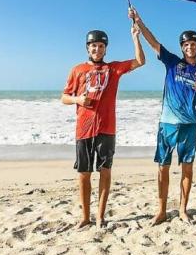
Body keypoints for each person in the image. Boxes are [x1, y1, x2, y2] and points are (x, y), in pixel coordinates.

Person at [128, 8, 196, 225]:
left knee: (187, 167)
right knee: (162, 167)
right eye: (186, 45)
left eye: (193, 44)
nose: (190, 47)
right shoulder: (173, 62)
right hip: (167, 123)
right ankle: (162, 210)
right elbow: (153, 42)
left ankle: (183, 210)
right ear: (182, 47)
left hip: (189, 125)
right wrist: (139, 21)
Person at [61, 26, 145, 228]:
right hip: (84, 128)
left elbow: (141, 61)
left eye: (100, 46)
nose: (97, 49)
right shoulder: (77, 70)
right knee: (84, 173)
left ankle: (100, 216)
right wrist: (77, 99)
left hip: (107, 128)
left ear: (105, 49)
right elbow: (64, 97)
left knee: (105, 171)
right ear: (87, 48)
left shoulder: (113, 69)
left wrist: (135, 37)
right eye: (93, 46)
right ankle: (85, 217)